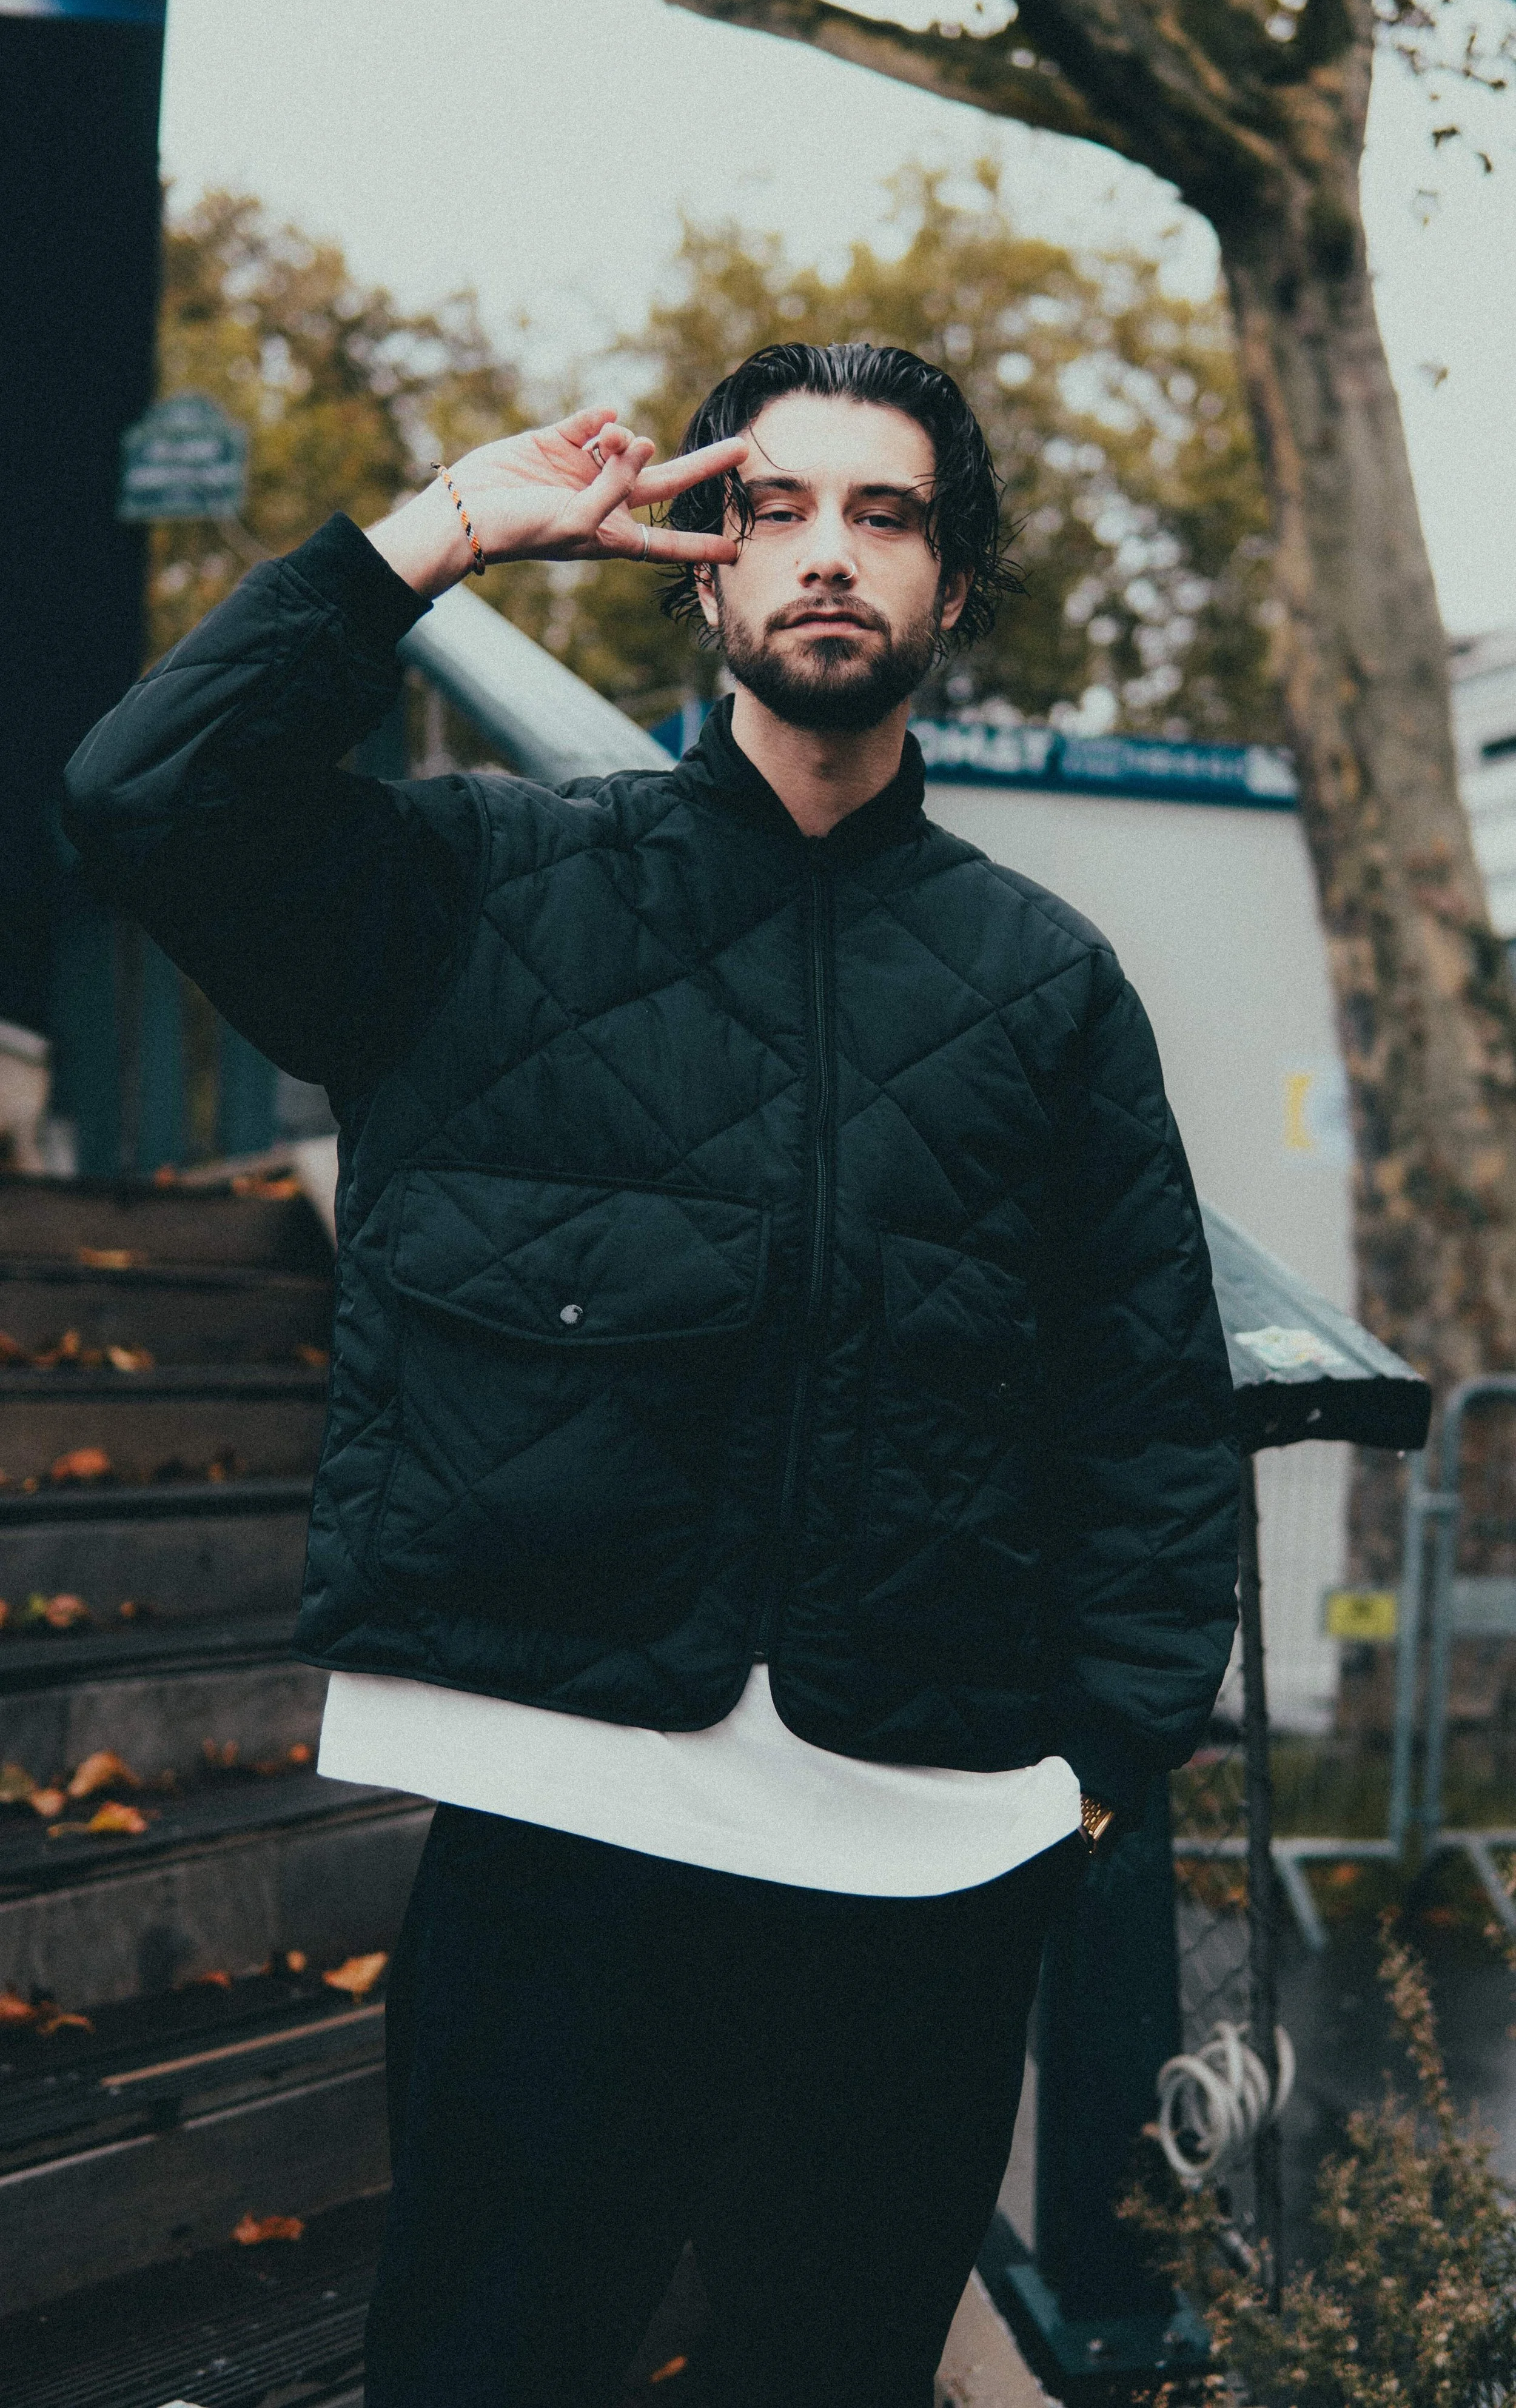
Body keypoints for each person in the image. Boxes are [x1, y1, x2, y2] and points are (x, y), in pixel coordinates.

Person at [63, 342, 1239, 2408]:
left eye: (884, 516)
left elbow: (1148, 1402)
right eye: (772, 506)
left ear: (951, 590)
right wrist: (438, 535)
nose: (825, 556)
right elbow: (143, 794)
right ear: (699, 572)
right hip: (566, 1822)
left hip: (915, 1865)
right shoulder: (489, 889)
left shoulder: (1044, 985)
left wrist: (1091, 1775)